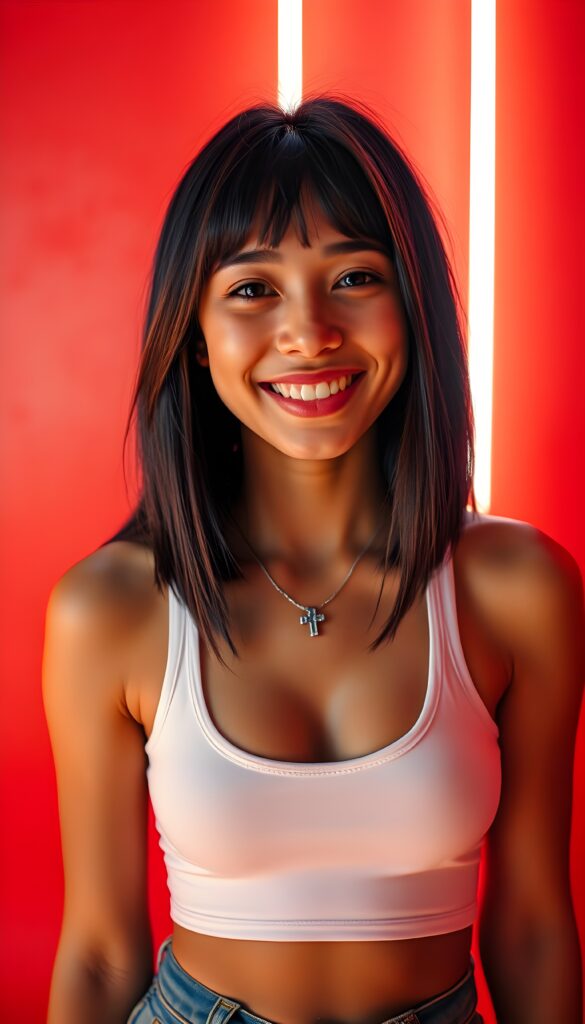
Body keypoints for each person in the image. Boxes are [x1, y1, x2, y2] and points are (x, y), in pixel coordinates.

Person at [42, 95, 584, 1024]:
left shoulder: (514, 587)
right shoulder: (110, 609)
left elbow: (533, 924)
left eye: (355, 277)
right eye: (252, 289)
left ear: (412, 309)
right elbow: (97, 950)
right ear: (196, 334)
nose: (309, 332)